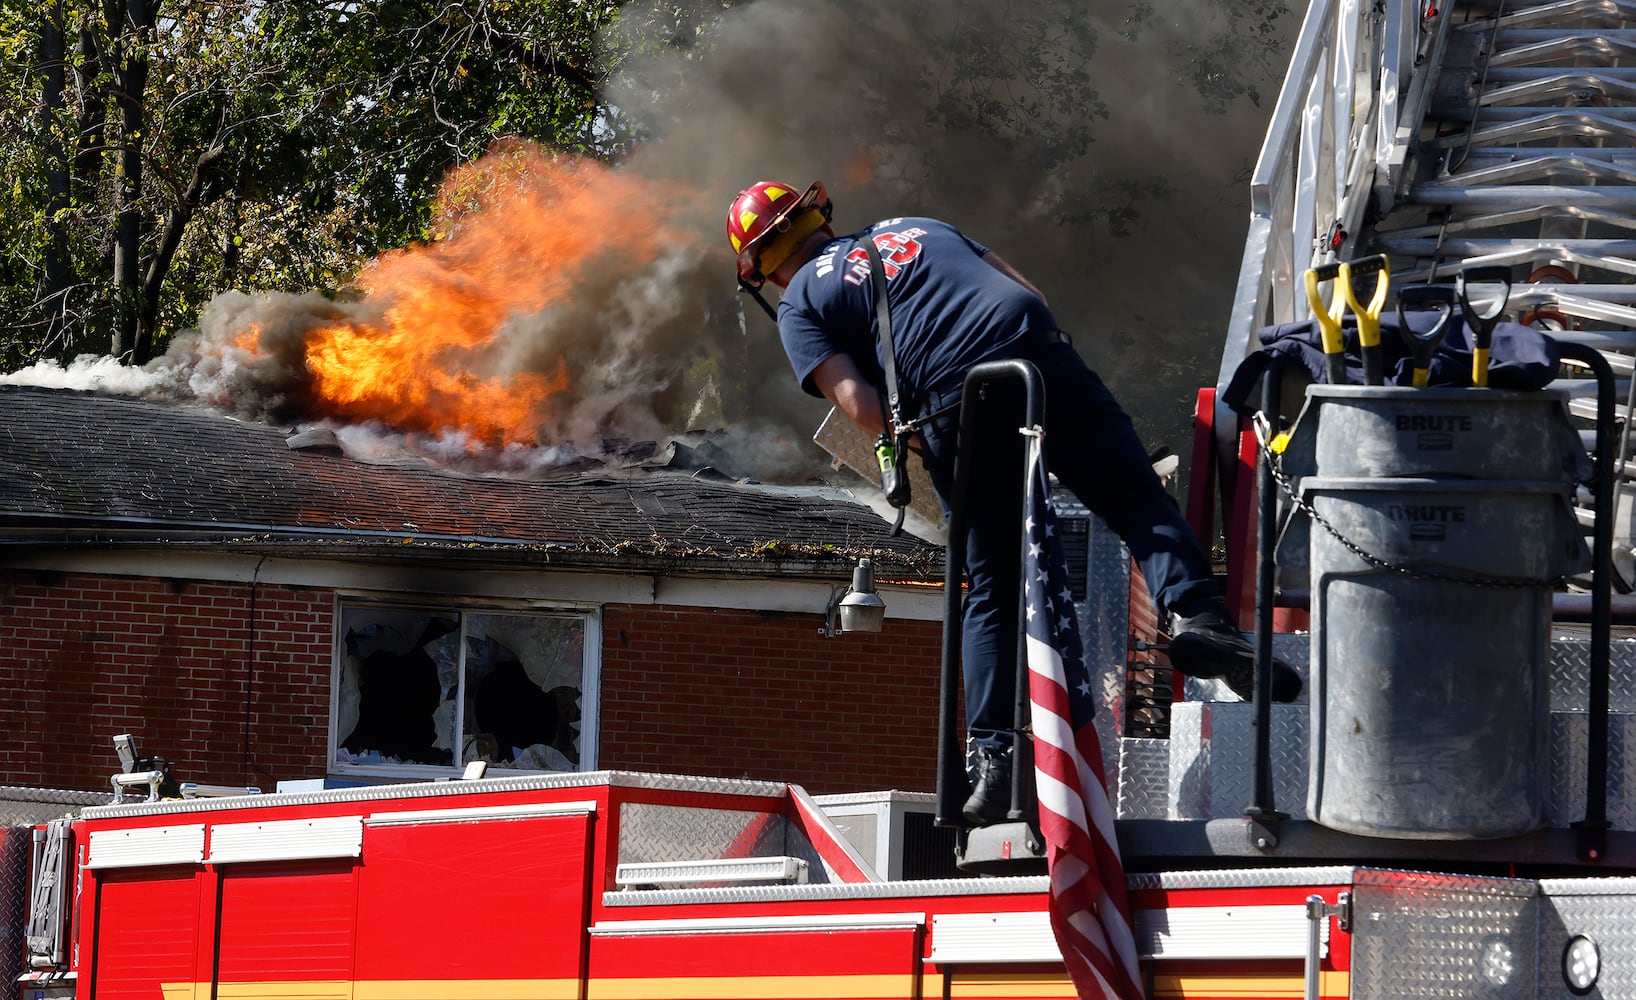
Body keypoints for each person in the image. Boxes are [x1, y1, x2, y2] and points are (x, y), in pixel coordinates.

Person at [726, 179, 1302, 826]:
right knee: (1135, 497)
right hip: (1038, 354)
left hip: (960, 397)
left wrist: (912, 441)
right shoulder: (918, 223)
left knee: (993, 582)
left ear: (764, 267)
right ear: (816, 217)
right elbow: (1031, 292)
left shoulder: (803, 299)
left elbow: (858, 402)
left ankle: (993, 761)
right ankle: (1199, 620)